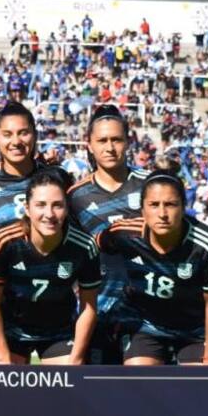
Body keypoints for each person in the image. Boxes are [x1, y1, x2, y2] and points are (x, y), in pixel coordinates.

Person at [97, 160, 208, 366]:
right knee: (138, 379)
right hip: (145, 326)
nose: (162, 214)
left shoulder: (206, 244)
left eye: (170, 204)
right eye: (154, 205)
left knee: (204, 383)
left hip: (194, 330)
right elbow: (88, 248)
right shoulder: (123, 233)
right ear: (142, 209)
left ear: (184, 207)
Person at [0, 170, 101, 364]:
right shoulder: (5, 241)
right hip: (10, 330)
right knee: (0, 381)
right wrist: (3, 356)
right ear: (27, 209)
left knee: (66, 385)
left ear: (67, 209)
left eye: (57, 205)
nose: (49, 214)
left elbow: (89, 307)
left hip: (59, 332)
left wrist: (76, 358)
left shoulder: (84, 246)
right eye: (40, 205)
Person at [67, 104, 148, 364]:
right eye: (102, 140)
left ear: (128, 141)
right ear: (89, 144)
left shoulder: (151, 186)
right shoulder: (76, 197)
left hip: (146, 317)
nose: (110, 147)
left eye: (116, 139)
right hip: (96, 314)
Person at [0, 102, 70, 238]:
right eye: (7, 134)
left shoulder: (57, 177)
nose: (16, 142)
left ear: (35, 135)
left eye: (23, 133)